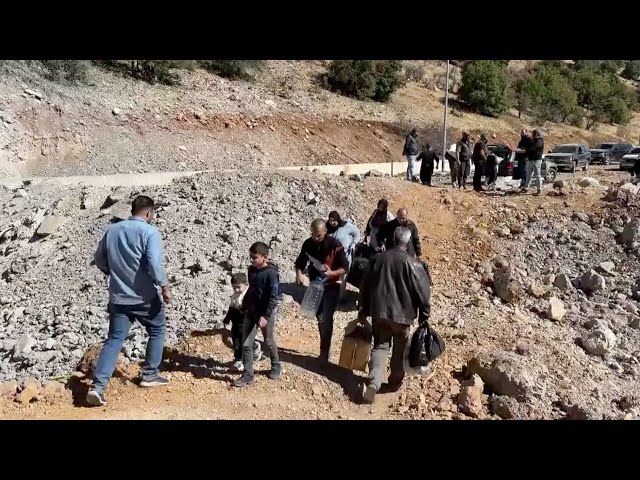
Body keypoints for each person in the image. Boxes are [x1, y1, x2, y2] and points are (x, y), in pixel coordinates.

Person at [87, 195, 172, 407]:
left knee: (115, 339)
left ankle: (97, 387)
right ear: (148, 213)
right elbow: (154, 262)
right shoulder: (150, 232)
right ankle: (150, 374)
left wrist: (113, 273)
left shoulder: (112, 230)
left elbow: (98, 259)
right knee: (157, 329)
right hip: (144, 296)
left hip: (118, 296)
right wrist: (163, 286)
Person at [358, 227, 431, 404]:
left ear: (393, 239)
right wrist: (424, 314)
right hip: (403, 317)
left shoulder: (377, 259)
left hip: (379, 313)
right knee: (400, 351)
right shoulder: (414, 264)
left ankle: (374, 382)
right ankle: (394, 383)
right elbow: (423, 292)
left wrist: (363, 309)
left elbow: (365, 285)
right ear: (407, 243)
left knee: (380, 347)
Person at [295, 219, 349, 365]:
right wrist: (299, 273)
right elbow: (300, 261)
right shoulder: (308, 244)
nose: (315, 238)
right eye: (313, 234)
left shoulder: (335, 245)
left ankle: (324, 352)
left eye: (318, 235)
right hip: (315, 285)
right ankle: (323, 347)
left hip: (332, 285)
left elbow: (345, 267)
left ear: (325, 232)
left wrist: (332, 273)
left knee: (326, 317)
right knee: (319, 317)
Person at [234, 242, 281, 387]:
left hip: (264, 314)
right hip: (251, 312)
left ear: (265, 257)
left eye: (254, 257)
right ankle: (248, 374)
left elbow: (274, 297)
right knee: (247, 344)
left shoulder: (271, 274)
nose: (251, 260)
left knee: (268, 340)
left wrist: (266, 316)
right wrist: (244, 305)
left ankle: (276, 365)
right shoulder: (251, 270)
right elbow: (252, 290)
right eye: (250, 257)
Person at [222, 272, 263, 372]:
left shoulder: (249, 296)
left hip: (246, 323)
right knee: (236, 342)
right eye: (234, 287)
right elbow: (232, 308)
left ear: (246, 285)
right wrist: (227, 318)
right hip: (236, 324)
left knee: (245, 343)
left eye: (239, 287)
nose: (236, 289)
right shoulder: (235, 296)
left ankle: (251, 352)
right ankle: (238, 359)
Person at [522, 129, 544, 196]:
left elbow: (533, 148)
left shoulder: (540, 141)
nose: (532, 135)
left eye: (533, 134)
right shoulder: (533, 141)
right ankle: (526, 187)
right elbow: (528, 145)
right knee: (528, 175)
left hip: (536, 160)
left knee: (537, 175)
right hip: (530, 160)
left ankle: (539, 189)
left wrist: (524, 151)